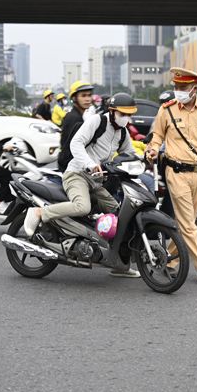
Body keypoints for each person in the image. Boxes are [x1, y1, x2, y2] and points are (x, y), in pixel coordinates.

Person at [24, 92, 140, 278]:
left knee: (121, 213)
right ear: (112, 112)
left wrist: (147, 157)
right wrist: (90, 164)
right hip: (76, 173)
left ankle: (119, 265)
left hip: (96, 181)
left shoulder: (122, 132)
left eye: (129, 114)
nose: (127, 118)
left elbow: (130, 153)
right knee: (83, 206)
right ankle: (40, 213)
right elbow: (76, 143)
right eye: (123, 114)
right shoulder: (97, 121)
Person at [145, 67, 197, 285]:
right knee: (189, 223)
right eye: (176, 87)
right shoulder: (167, 109)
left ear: (194, 88)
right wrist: (153, 148)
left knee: (185, 221)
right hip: (175, 171)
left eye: (183, 87)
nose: (178, 91)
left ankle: (170, 261)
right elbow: (157, 136)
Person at [57, 81, 95, 173]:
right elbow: (75, 147)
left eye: (89, 95)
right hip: (71, 167)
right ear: (74, 98)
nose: (87, 99)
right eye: (83, 96)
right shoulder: (74, 118)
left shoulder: (78, 116)